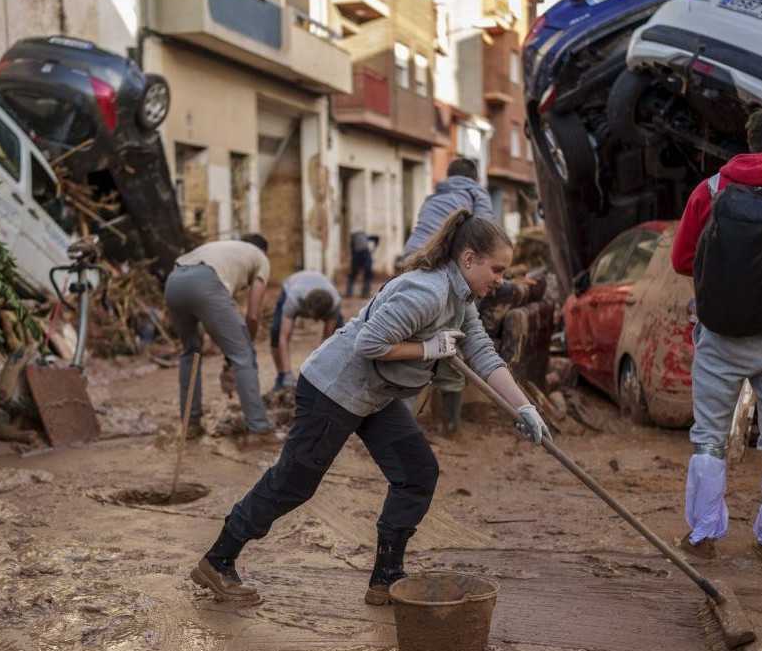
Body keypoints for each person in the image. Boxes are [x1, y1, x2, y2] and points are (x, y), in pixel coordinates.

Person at [190, 210, 551, 605]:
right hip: (334, 387)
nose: (500, 280)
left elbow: (482, 353)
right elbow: (370, 344)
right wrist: (428, 349)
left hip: (376, 395)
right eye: (497, 269)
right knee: (294, 483)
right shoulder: (427, 292)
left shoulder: (459, 297)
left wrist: (523, 407)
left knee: (417, 473)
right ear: (468, 259)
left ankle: (386, 578)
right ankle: (218, 560)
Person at [671, 106, 762, 572]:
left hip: (718, 333)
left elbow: (680, 259)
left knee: (709, 439)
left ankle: (701, 537)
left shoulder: (710, 190)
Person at [400, 157, 496, 436]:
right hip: (442, 272)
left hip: (410, 264)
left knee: (409, 343)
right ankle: (451, 425)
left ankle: (398, 424)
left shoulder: (433, 198)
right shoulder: (477, 195)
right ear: (475, 178)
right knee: (454, 342)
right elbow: (487, 239)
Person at [164, 234, 274, 439]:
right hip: (206, 281)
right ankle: (259, 430)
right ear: (264, 250)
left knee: (190, 352)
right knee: (244, 355)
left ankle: (191, 425)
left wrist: (228, 354)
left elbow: (217, 321)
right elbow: (252, 315)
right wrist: (244, 347)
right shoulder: (260, 258)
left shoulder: (224, 248)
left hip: (174, 281)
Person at [271, 270, 344, 392]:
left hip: (322, 288)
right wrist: (288, 372)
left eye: (318, 318)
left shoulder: (335, 304)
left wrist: (319, 375)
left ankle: (335, 378)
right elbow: (283, 337)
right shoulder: (294, 299)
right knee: (276, 331)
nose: (315, 321)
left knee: (340, 338)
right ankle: (282, 376)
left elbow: (327, 340)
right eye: (314, 317)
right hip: (293, 283)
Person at [346, 231, 379, 298]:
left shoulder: (354, 238)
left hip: (359, 255)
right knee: (367, 275)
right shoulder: (365, 236)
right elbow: (376, 238)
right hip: (364, 255)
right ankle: (364, 293)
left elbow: (352, 250)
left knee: (354, 275)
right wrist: (375, 247)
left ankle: (350, 293)